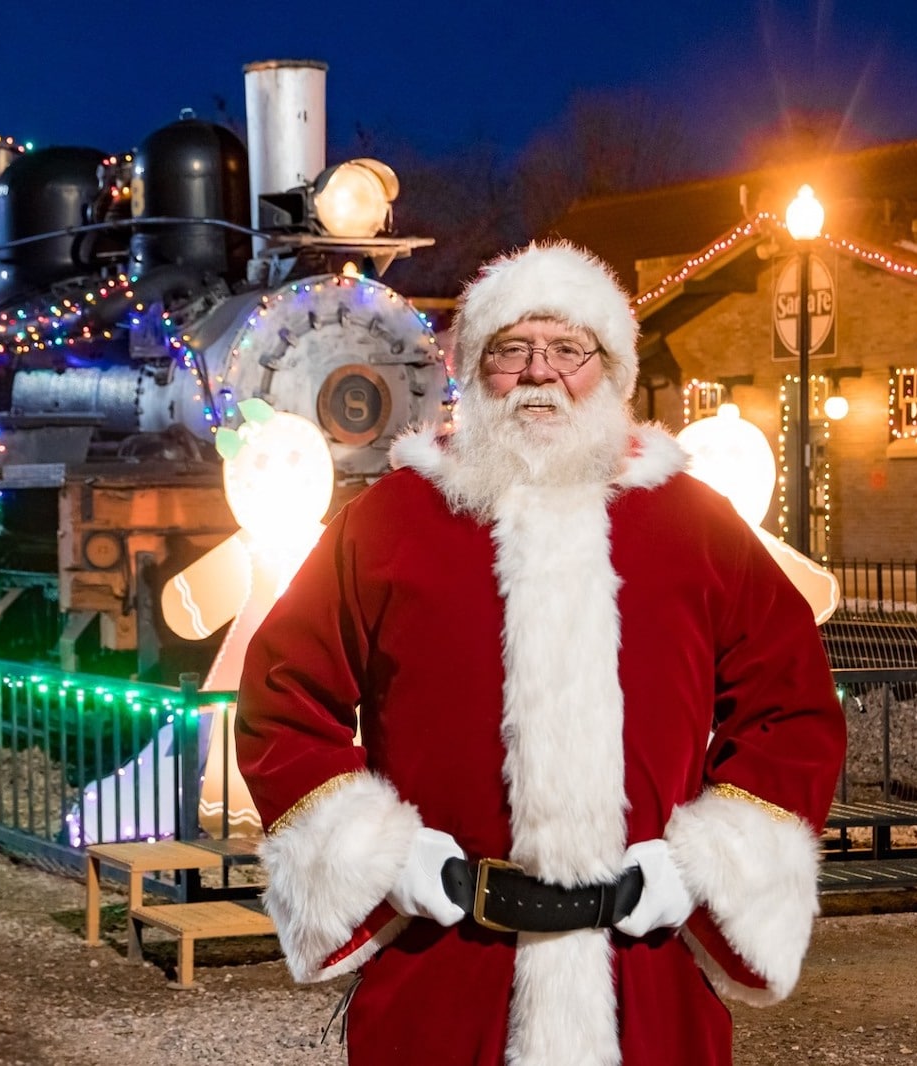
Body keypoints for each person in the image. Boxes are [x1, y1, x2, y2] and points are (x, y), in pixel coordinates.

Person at [234, 242, 847, 1065]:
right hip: (448, 973)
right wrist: (385, 858)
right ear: (474, 371)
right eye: (510, 350)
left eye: (568, 350)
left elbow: (793, 710)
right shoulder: (391, 522)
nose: (539, 372)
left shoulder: (696, 526)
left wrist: (702, 868)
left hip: (647, 974)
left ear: (612, 369)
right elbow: (282, 696)